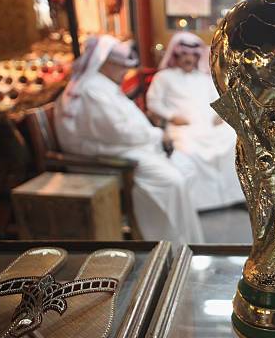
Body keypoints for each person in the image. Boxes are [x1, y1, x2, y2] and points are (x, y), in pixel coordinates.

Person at [55, 34, 204, 244]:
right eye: (120, 66)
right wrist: (157, 135)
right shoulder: (92, 90)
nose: (125, 72)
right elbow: (120, 132)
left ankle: (186, 241)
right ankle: (166, 244)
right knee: (172, 181)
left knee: (185, 167)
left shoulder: (100, 85)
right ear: (105, 63)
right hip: (104, 156)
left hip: (118, 147)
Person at [147, 32, 244, 211]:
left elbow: (218, 100)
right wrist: (170, 116)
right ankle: (201, 203)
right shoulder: (163, 77)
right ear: (176, 56)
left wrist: (219, 116)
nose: (188, 58)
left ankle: (234, 197)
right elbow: (154, 103)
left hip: (209, 125)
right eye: (184, 55)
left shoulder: (205, 79)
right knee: (189, 150)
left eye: (192, 55)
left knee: (234, 141)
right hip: (183, 127)